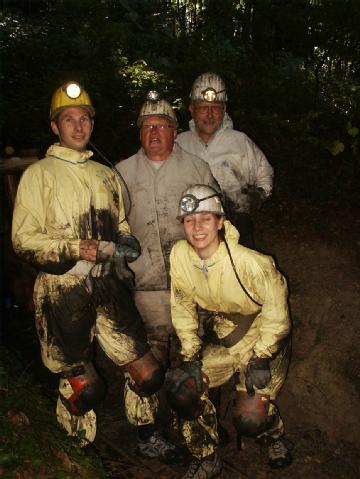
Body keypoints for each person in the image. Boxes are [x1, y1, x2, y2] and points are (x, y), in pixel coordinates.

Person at [11, 81, 165, 447]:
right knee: (86, 387)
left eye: (84, 119)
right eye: (69, 119)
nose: (78, 127)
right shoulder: (39, 174)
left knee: (149, 374)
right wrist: (79, 248)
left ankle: (149, 437)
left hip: (107, 285)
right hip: (62, 288)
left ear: (92, 124)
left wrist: (126, 243)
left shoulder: (107, 175)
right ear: (55, 126)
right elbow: (24, 241)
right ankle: (75, 451)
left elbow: (122, 226)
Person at [116, 91, 219, 462]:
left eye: (162, 125)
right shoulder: (122, 173)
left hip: (190, 286)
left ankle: (196, 433)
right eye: (147, 126)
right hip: (144, 288)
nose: (155, 132)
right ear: (139, 132)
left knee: (193, 361)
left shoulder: (196, 170)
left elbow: (216, 224)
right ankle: (149, 435)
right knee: (147, 365)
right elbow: (112, 227)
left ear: (176, 130)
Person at [165, 184, 292, 479]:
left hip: (262, 336)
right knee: (184, 391)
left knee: (249, 420)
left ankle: (271, 436)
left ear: (221, 221)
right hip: (224, 336)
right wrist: (191, 356)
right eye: (189, 220)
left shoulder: (253, 263)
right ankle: (206, 456)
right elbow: (182, 306)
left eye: (205, 219)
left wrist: (262, 356)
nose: (197, 228)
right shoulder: (181, 256)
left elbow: (277, 315)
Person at [176, 72, 274, 249]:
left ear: (224, 109)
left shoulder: (240, 141)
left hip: (236, 230)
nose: (210, 114)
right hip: (192, 230)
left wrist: (257, 196)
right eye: (203, 107)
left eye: (216, 107)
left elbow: (264, 173)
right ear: (191, 109)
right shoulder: (179, 144)